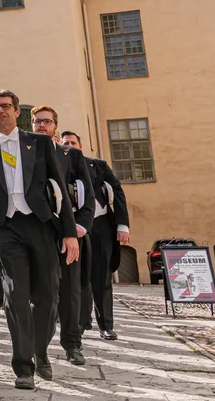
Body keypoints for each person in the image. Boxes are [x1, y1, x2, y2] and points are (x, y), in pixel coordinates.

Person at [0, 90, 79, 391]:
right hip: (7, 230)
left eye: (6, 106)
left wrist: (69, 232)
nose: (0, 111)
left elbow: (60, 187)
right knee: (15, 296)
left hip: (41, 225)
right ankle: (23, 367)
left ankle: (41, 350)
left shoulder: (40, 142)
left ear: (18, 111)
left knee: (48, 297)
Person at [30, 106, 94, 366]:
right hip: (37, 233)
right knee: (42, 293)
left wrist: (79, 227)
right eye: (37, 122)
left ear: (55, 126)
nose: (42, 126)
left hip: (67, 233)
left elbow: (87, 195)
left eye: (47, 122)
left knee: (69, 291)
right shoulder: (25, 154)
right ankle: (39, 345)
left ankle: (72, 343)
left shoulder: (70, 155)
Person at [60, 131, 130, 341]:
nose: (70, 146)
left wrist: (122, 225)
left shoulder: (97, 165)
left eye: (73, 142)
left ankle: (106, 325)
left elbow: (117, 191)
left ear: (80, 145)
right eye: (66, 144)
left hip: (100, 226)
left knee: (102, 278)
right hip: (73, 227)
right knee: (76, 279)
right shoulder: (59, 167)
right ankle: (80, 323)